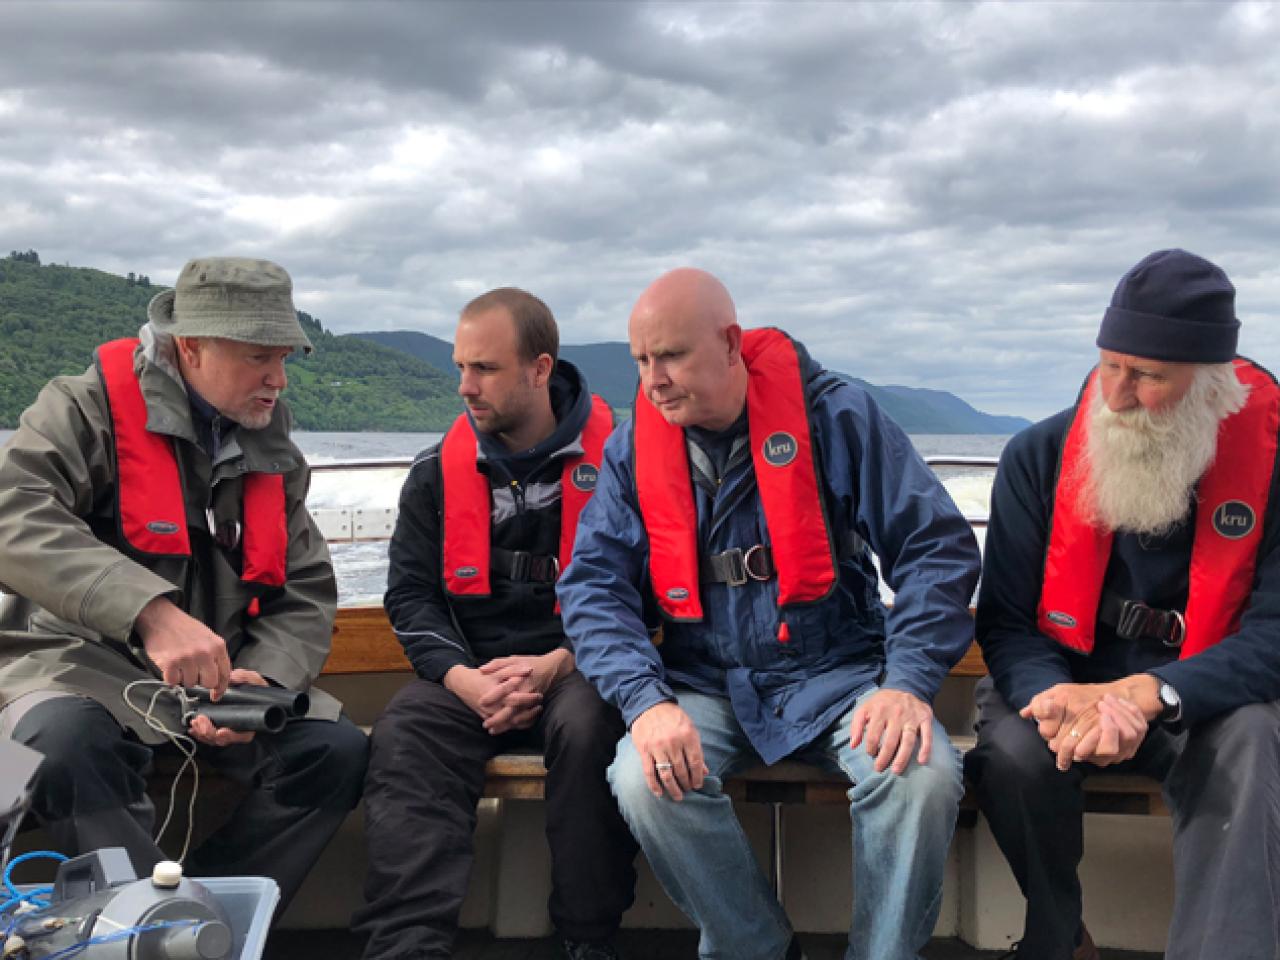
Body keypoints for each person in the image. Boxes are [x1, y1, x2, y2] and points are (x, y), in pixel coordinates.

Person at [556, 268, 981, 960]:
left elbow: (935, 551)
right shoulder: (635, 449)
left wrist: (907, 683)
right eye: (641, 360)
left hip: (839, 675)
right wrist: (646, 703)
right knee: (642, 776)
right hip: (707, 682)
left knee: (921, 779)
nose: (653, 379)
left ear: (730, 344)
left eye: (670, 355)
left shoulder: (838, 418)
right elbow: (592, 588)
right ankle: (755, 947)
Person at [0, 257, 368, 908]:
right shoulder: (82, 409)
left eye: (283, 358)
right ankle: (148, 930)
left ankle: (203, 920)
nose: (278, 380)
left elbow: (304, 586)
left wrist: (266, 676)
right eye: (260, 357)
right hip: (75, 672)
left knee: (334, 752)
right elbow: (12, 512)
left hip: (213, 691)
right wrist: (150, 611)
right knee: (63, 747)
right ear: (191, 346)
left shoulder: (269, 444)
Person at [965, 248, 1280, 960]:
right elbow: (1009, 623)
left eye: (1147, 376)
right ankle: (1056, 939)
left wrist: (1154, 694)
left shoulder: (1275, 460)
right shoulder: (1037, 456)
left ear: (1211, 383)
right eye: (1110, 365)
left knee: (1254, 742)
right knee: (1013, 752)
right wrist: (1054, 697)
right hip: (1070, 683)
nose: (1116, 393)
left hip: (1208, 698)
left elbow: (1274, 634)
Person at [353, 288, 637, 960]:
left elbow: (644, 593)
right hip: (470, 667)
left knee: (592, 724)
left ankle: (588, 939)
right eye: (460, 367)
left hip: (581, 662)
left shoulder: (624, 466)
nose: (465, 387)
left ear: (540, 369)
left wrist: (559, 662)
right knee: (407, 731)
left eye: (483, 369)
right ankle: (405, 947)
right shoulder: (433, 474)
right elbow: (412, 596)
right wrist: (462, 679)